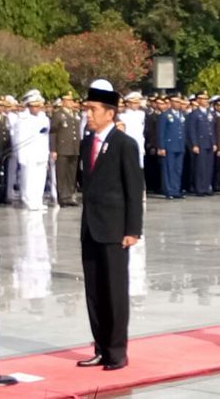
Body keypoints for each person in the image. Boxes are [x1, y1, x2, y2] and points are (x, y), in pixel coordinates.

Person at [76, 79, 143, 371]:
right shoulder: (86, 142)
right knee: (94, 291)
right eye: (86, 110)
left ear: (109, 113)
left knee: (114, 291)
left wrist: (132, 229)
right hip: (90, 227)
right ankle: (100, 347)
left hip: (115, 229)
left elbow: (133, 189)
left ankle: (117, 352)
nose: (88, 115)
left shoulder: (124, 145)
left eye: (92, 110)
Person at [14, 92, 50, 211]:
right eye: (34, 106)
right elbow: (18, 139)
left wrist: (47, 154)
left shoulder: (44, 118)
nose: (36, 108)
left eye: (38, 106)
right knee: (29, 178)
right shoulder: (22, 119)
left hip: (41, 152)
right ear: (28, 106)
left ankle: (38, 200)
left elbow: (46, 137)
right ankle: (28, 200)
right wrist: (21, 156)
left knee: (40, 178)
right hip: (29, 153)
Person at [49, 91, 82, 206]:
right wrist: (53, 149)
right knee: (61, 173)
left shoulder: (76, 114)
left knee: (71, 173)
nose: (70, 103)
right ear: (63, 102)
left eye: (71, 100)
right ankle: (61, 196)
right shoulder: (58, 114)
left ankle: (69, 195)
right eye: (68, 100)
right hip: (62, 147)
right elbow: (53, 133)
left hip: (74, 148)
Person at [186, 92, 216, 196]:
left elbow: (212, 129)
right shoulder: (195, 114)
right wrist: (194, 144)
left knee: (208, 166)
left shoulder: (210, 113)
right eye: (203, 99)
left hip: (209, 143)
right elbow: (192, 130)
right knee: (200, 167)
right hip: (200, 143)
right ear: (198, 100)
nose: (206, 101)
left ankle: (207, 186)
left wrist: (214, 143)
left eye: (207, 99)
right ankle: (200, 188)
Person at [156, 94, 186, 199]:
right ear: (170, 103)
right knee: (168, 168)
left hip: (179, 145)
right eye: (175, 101)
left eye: (179, 101)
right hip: (169, 145)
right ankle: (169, 191)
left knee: (178, 169)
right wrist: (161, 147)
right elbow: (161, 132)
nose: (178, 104)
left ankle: (176, 189)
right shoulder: (164, 115)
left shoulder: (182, 115)